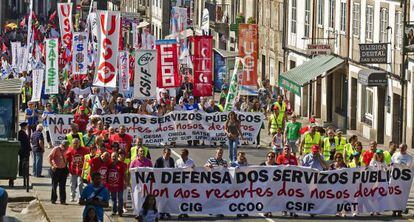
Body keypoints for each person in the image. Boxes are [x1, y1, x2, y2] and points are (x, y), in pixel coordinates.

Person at [391, 144, 412, 217]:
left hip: (404, 181)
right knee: (394, 195)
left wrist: (400, 165)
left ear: (406, 148)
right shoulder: (395, 155)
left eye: (403, 148)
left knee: (402, 195)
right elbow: (391, 164)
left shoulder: (409, 157)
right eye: (400, 148)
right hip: (395, 179)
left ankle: (399, 211)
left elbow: (408, 166)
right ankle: (393, 211)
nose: (401, 149)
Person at [154, 148, 174, 219]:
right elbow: (155, 171)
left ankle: (167, 212)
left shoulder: (171, 160)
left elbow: (173, 170)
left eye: (169, 154)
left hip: (168, 182)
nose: (168, 155)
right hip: (160, 182)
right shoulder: (158, 160)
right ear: (163, 153)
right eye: (167, 153)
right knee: (161, 198)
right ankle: (161, 212)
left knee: (168, 197)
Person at [49, 140, 70, 204]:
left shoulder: (67, 150)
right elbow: (50, 157)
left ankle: (63, 200)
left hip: (63, 169)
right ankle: (53, 199)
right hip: (56, 169)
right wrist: (52, 165)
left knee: (62, 186)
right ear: (64, 145)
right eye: (67, 146)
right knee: (54, 185)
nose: (68, 147)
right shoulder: (56, 149)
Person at [107, 152, 128, 217]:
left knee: (120, 198)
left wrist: (126, 182)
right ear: (111, 157)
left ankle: (120, 211)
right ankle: (114, 211)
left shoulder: (122, 164)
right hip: (112, 185)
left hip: (120, 185)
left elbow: (125, 174)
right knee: (113, 198)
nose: (114, 158)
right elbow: (107, 175)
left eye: (115, 156)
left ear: (117, 157)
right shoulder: (109, 165)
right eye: (113, 156)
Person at [18, 122, 31, 186]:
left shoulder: (22, 132)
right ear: (24, 126)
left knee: (22, 161)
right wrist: (29, 148)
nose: (27, 127)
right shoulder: (21, 133)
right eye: (26, 126)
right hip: (24, 150)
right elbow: (25, 142)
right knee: (24, 161)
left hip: (24, 150)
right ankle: (23, 172)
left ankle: (23, 172)